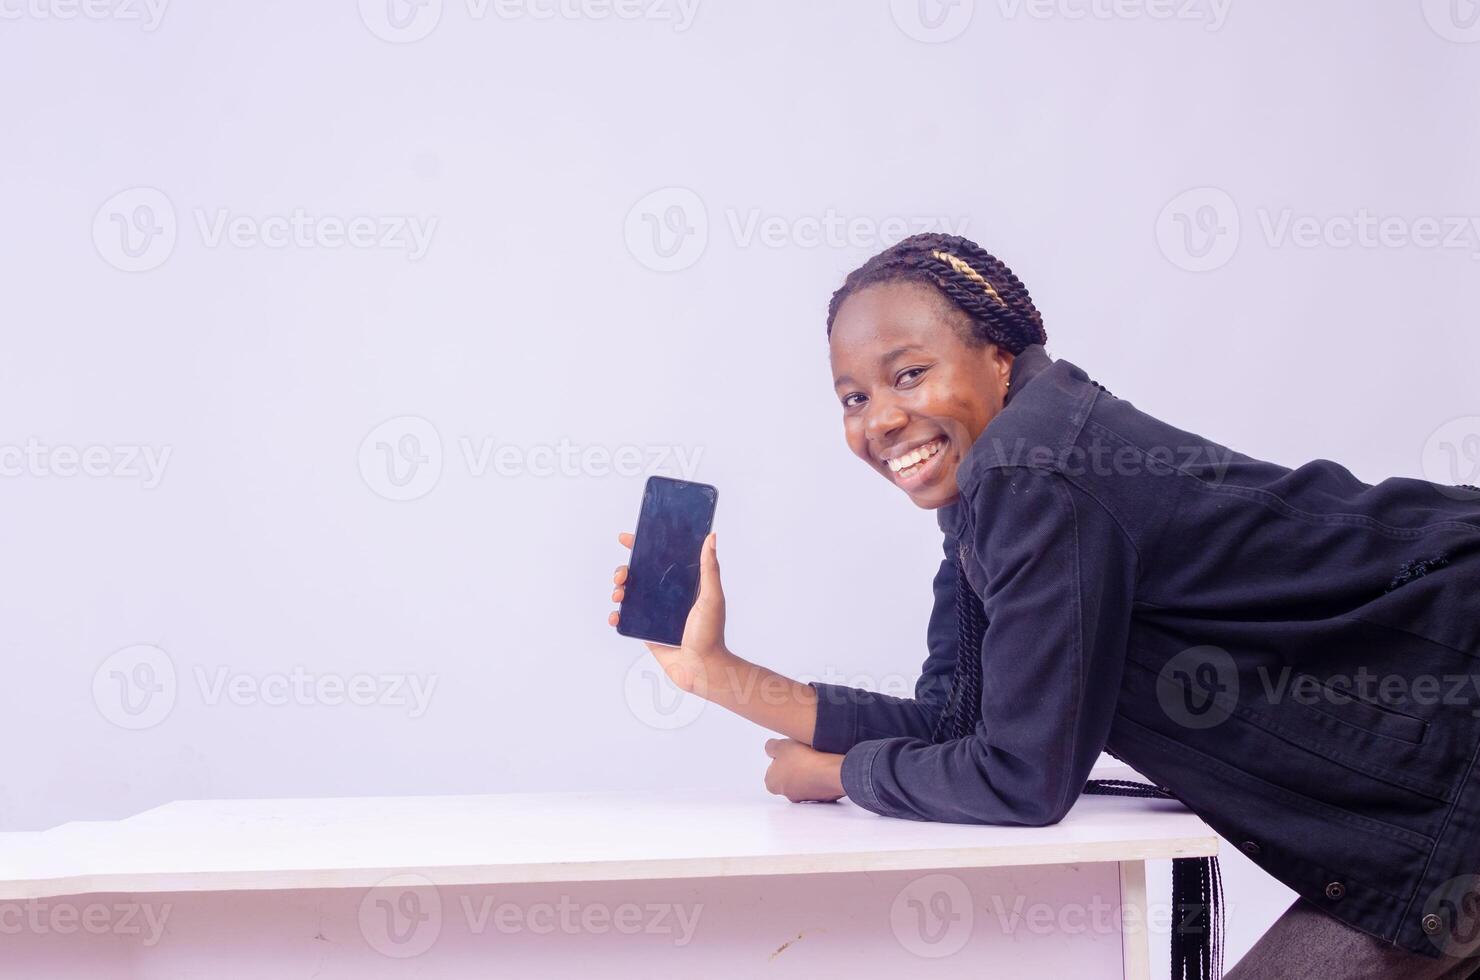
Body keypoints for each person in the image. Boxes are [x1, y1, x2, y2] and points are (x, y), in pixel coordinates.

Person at [608, 232, 1480, 978]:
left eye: (908, 374)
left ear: (997, 357)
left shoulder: (1029, 469)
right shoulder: (999, 486)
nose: (879, 420)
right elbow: (960, 719)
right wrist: (715, 675)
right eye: (854, 397)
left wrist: (839, 775)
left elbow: (1021, 778)